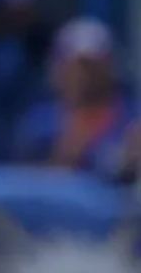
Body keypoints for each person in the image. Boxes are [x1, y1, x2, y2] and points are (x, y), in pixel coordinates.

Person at [8, 18, 137, 182]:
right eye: (70, 65)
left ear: (109, 66)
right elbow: (21, 183)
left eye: (89, 65)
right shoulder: (39, 123)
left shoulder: (133, 116)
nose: (80, 75)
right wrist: (66, 154)